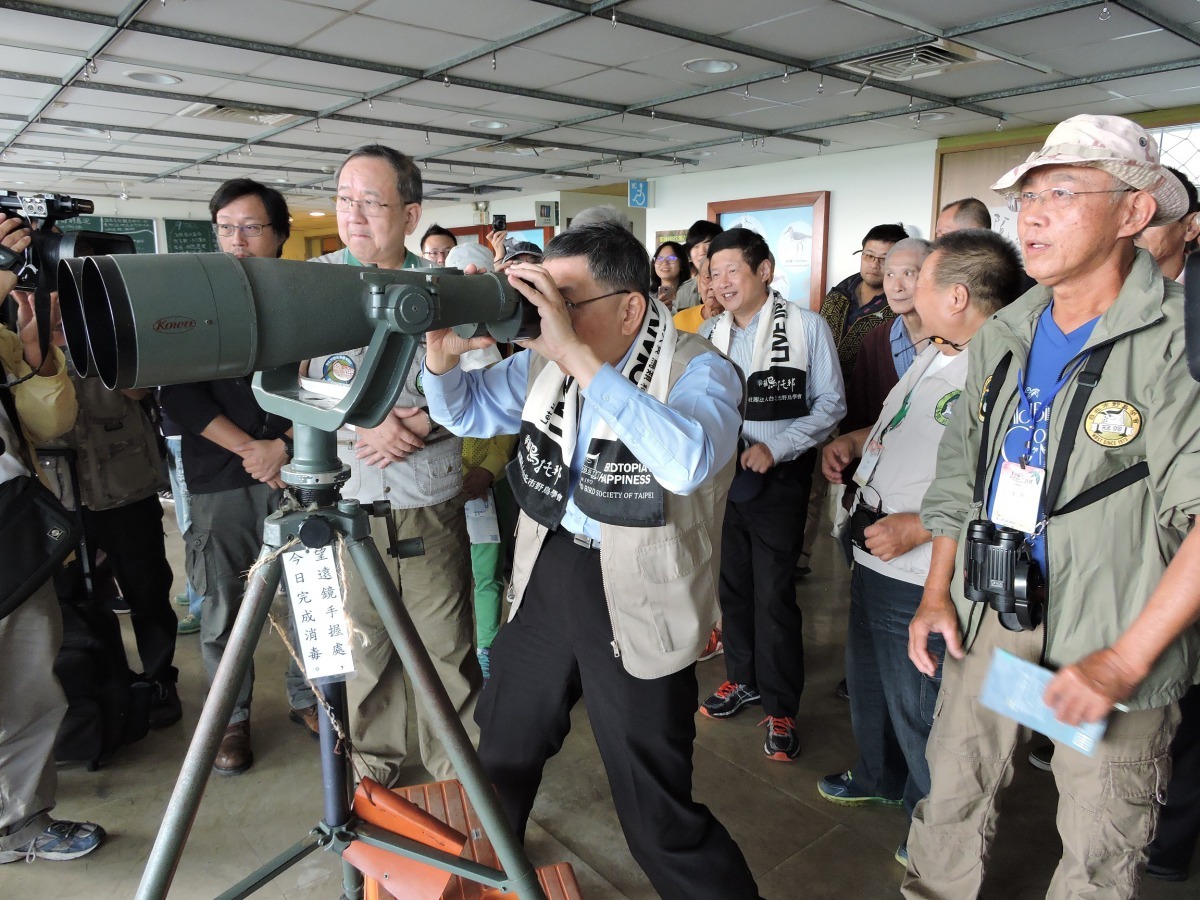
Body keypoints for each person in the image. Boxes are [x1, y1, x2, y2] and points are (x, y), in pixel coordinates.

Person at [904, 114, 1199, 899]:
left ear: (1134, 212)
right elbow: (962, 471)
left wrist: (1126, 660)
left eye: (1061, 193)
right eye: (1027, 196)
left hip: (1112, 636)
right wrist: (939, 593)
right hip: (998, 618)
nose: (1031, 215)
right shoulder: (1008, 330)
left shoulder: (1178, 344)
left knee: (1099, 840)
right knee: (953, 793)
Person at [422, 222, 760, 899]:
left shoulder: (700, 368)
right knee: (505, 745)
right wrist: (441, 356)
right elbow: (468, 412)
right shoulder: (546, 359)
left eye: (565, 299)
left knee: (653, 805)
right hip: (551, 564)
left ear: (630, 306)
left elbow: (687, 460)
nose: (547, 313)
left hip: (641, 586)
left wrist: (577, 356)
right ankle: (490, 876)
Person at [818, 229, 1023, 865]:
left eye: (919, 278)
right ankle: (878, 776)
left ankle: (930, 826)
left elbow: (1002, 486)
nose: (900, 288)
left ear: (957, 295)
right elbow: (898, 422)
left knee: (923, 707)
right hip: (873, 546)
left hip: (920, 568)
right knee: (871, 683)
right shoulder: (939, 348)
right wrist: (855, 440)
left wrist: (918, 525)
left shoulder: (1000, 370)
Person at [305, 144, 480, 787]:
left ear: (410, 215)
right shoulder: (310, 285)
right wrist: (366, 419)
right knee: (362, 648)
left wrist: (419, 423)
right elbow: (283, 381)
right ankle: (374, 773)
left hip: (425, 492)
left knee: (446, 648)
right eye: (345, 201)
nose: (353, 216)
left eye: (371, 203)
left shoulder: (445, 290)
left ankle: (456, 777)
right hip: (344, 499)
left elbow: (486, 384)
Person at [160, 179, 318, 776]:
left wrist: (279, 446)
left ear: (279, 235)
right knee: (224, 600)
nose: (237, 240)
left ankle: (311, 699)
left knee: (309, 595)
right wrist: (252, 448)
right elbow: (178, 396)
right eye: (226, 227)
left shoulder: (307, 301)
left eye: (251, 227)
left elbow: (332, 385)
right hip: (219, 477)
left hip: (301, 468)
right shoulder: (191, 301)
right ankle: (231, 716)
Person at [697, 227, 845, 760]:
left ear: (765, 270)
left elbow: (830, 403)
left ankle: (781, 705)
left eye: (733, 269)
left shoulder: (806, 328)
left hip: (777, 481)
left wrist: (777, 447)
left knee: (774, 595)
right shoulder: (708, 331)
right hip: (718, 480)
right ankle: (743, 677)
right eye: (714, 273)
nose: (722, 282)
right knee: (731, 587)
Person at [0, 212, 105, 864]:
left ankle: (21, 820)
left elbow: (51, 419)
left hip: (11, 529)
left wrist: (38, 354)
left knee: (27, 682)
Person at [799, 223, 907, 578]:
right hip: (821, 400)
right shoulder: (839, 294)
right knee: (812, 483)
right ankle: (801, 557)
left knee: (858, 488)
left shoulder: (899, 304)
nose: (874, 265)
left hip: (869, 409)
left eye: (884, 259)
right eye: (869, 256)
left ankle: (857, 551)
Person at [840, 237, 932, 434]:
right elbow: (856, 418)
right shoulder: (875, 341)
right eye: (890, 274)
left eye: (908, 273)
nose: (896, 286)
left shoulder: (955, 342)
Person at [674, 220, 723, 311]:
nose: (702, 252)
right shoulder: (685, 290)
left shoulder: (728, 285)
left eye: (708, 245)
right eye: (696, 246)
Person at [672, 255, 721, 334]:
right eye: (707, 278)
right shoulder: (679, 321)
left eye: (717, 277)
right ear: (698, 282)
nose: (712, 287)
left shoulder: (740, 321)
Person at [650, 240, 686, 309]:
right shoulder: (648, 298)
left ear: (682, 264)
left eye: (671, 258)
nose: (664, 263)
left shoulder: (692, 295)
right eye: (659, 258)